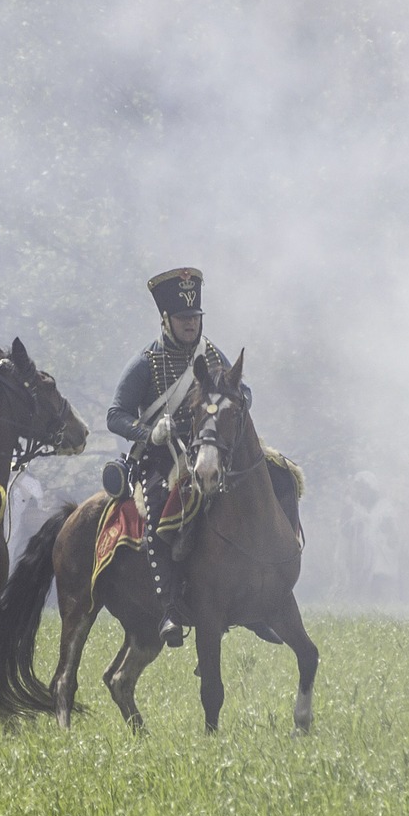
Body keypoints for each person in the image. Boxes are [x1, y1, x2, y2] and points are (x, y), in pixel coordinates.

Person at [106, 267, 247, 647]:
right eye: (183, 319)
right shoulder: (145, 362)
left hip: (210, 451)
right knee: (156, 510)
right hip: (160, 458)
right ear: (166, 319)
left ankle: (257, 600)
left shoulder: (213, 355)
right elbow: (115, 415)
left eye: (195, 318)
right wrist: (148, 432)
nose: (190, 325)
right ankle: (169, 608)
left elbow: (243, 393)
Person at [334, 470, 401, 603]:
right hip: (361, 558)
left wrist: (382, 530)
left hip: (381, 557)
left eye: (362, 489)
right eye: (358, 490)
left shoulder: (384, 508)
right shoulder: (357, 509)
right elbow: (346, 531)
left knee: (380, 585)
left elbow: (393, 537)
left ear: (371, 489)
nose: (359, 494)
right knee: (359, 586)